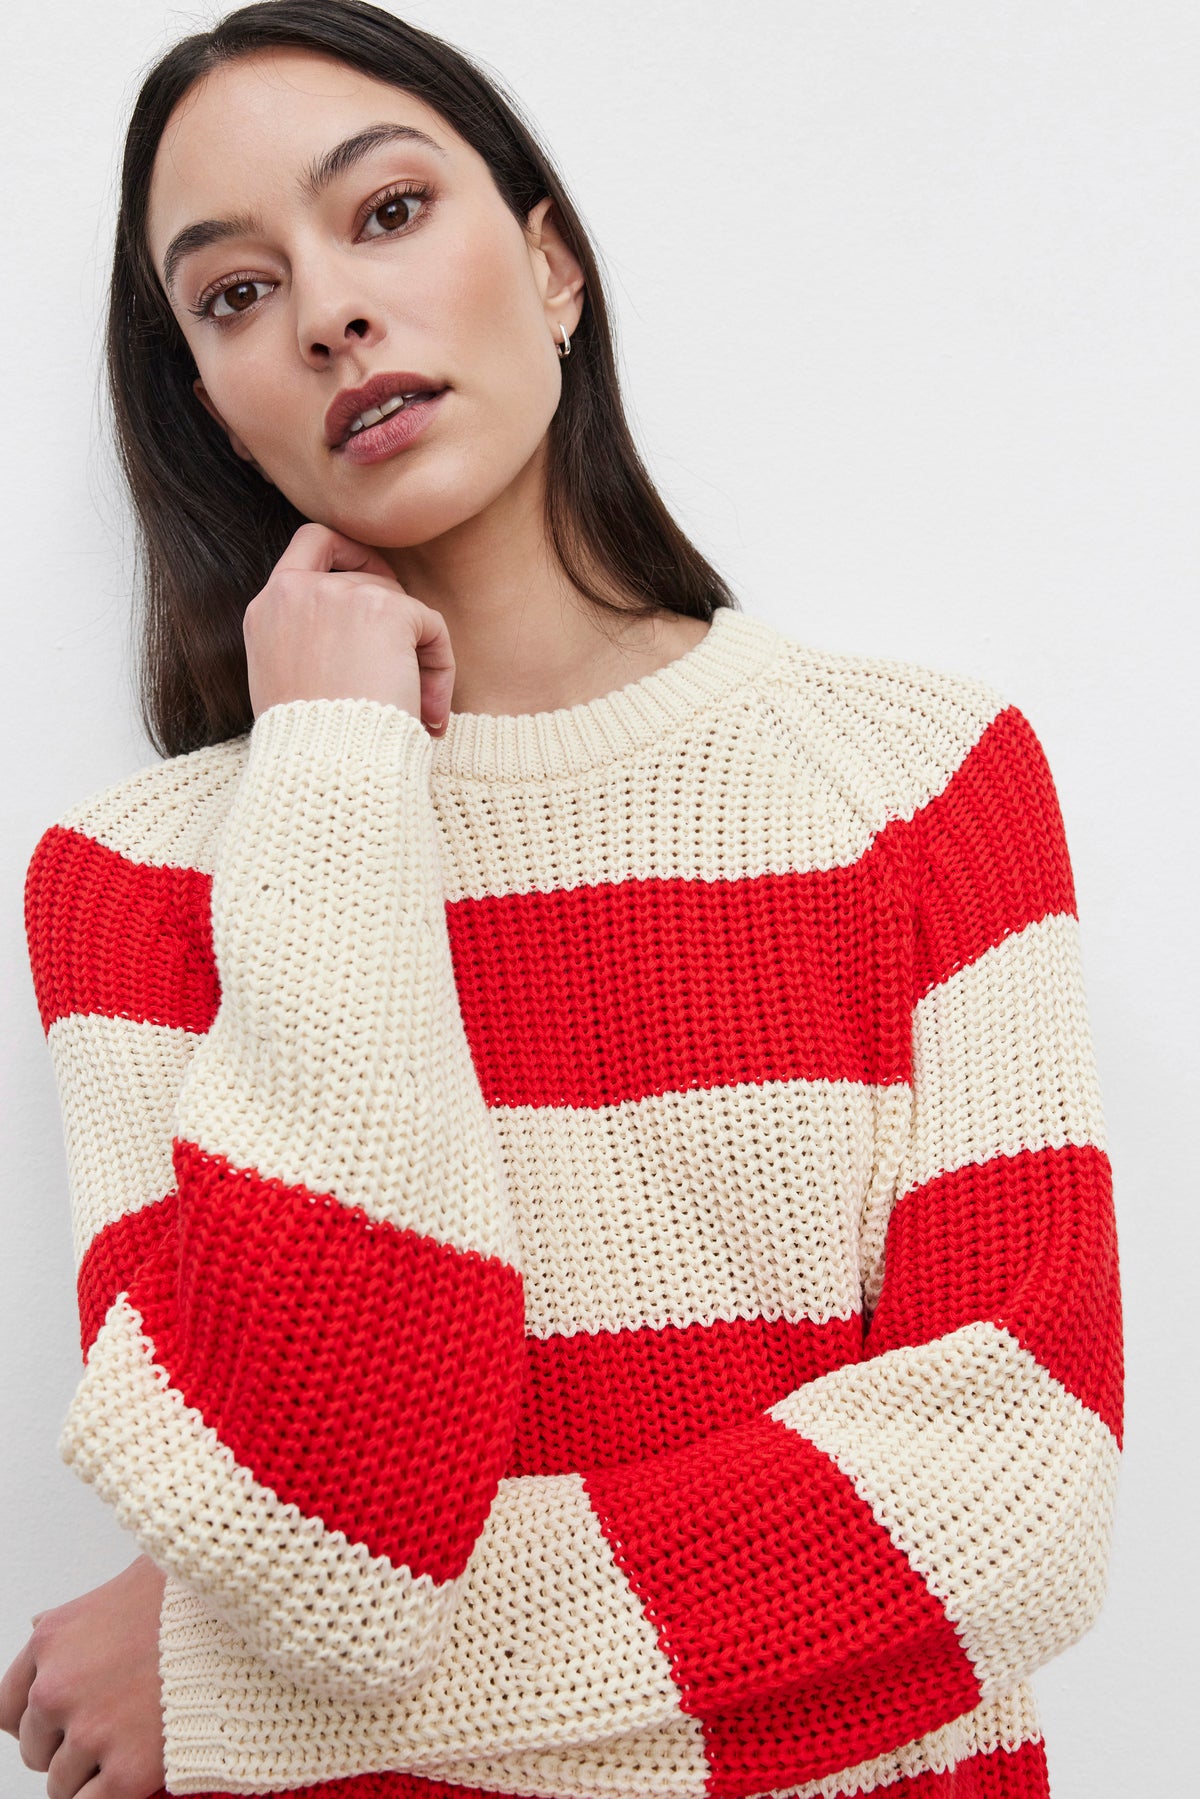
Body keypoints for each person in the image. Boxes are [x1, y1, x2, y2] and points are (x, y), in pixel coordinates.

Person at [1, 3, 1123, 1797]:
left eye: (382, 213)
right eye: (231, 295)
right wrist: (338, 775)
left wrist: (237, 1694)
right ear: (207, 407)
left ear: (552, 263)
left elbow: (1013, 1484)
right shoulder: (141, 889)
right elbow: (322, 1517)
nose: (326, 313)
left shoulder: (919, 785)